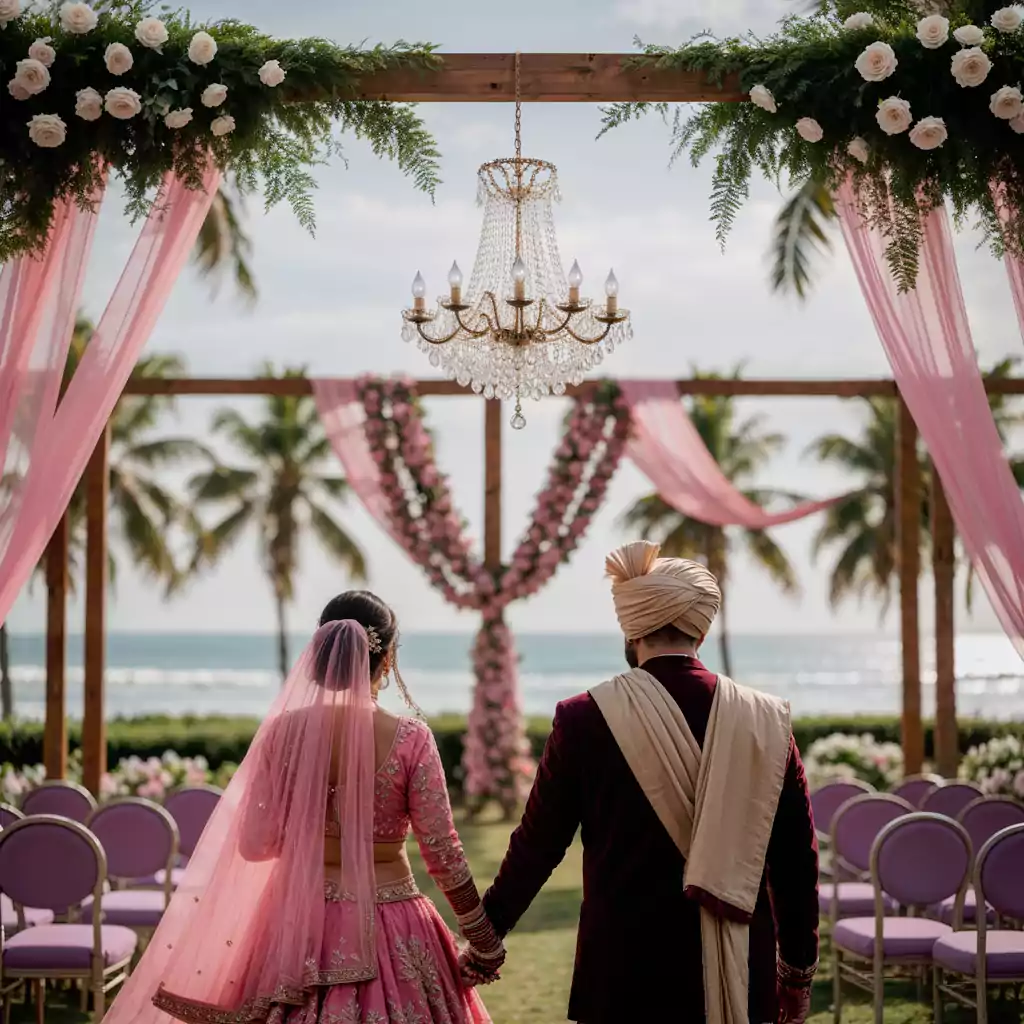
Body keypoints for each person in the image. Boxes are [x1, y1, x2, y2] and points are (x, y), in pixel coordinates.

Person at [104, 590, 503, 1024]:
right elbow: (442, 851)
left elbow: (255, 845)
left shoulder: (281, 734)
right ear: (386, 659)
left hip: (294, 927)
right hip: (393, 922)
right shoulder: (411, 739)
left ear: (320, 654)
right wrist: (482, 938)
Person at [475, 541, 820, 1024]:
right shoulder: (764, 720)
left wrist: (485, 937)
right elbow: (795, 861)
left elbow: (538, 845)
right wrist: (796, 973)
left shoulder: (584, 717)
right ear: (701, 626)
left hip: (623, 972)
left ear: (631, 624)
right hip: (741, 972)